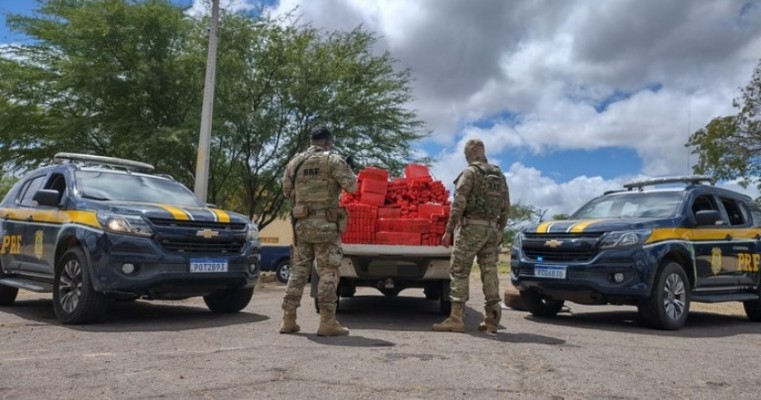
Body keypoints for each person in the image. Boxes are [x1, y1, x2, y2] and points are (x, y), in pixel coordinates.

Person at [279, 125, 358, 336]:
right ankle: (327, 322)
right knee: (328, 272)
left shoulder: (295, 162)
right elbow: (352, 187)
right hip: (326, 228)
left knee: (298, 271)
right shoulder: (333, 160)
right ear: (328, 141)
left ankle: (288, 320)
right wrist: (351, 170)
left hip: (301, 226)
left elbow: (286, 190)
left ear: (312, 140)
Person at [433, 139, 510, 333]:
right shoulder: (499, 175)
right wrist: (500, 230)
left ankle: (456, 318)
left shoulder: (470, 173)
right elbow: (506, 207)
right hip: (492, 230)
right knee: (490, 270)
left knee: (459, 270)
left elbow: (458, 204)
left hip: (471, 229)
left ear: (469, 154)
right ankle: (492, 319)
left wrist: (448, 230)